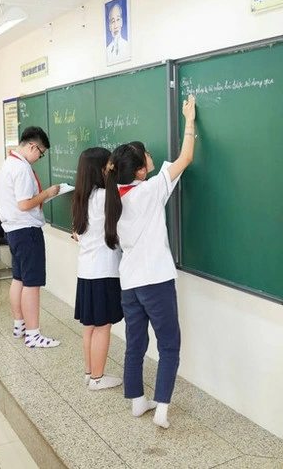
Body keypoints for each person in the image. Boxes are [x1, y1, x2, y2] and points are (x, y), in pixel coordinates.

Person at [104, 94, 197, 428]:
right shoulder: (151, 189)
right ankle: (162, 410)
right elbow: (186, 157)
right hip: (156, 280)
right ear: (141, 170)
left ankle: (138, 402)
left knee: (136, 344)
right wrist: (189, 120)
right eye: (145, 156)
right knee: (169, 345)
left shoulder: (115, 196)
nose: (149, 155)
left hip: (130, 282)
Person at [0, 126, 61, 348]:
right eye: (40, 153)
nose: (39, 158)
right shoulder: (22, 169)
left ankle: (20, 325)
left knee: (19, 279)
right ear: (33, 146)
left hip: (13, 231)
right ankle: (33, 334)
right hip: (27, 231)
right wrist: (47, 193)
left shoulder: (8, 163)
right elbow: (24, 204)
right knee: (32, 284)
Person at [71, 147, 123, 390]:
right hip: (104, 271)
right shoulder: (104, 197)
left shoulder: (82, 197)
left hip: (86, 272)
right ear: (103, 170)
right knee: (103, 326)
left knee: (90, 325)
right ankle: (97, 379)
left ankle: (89, 372)